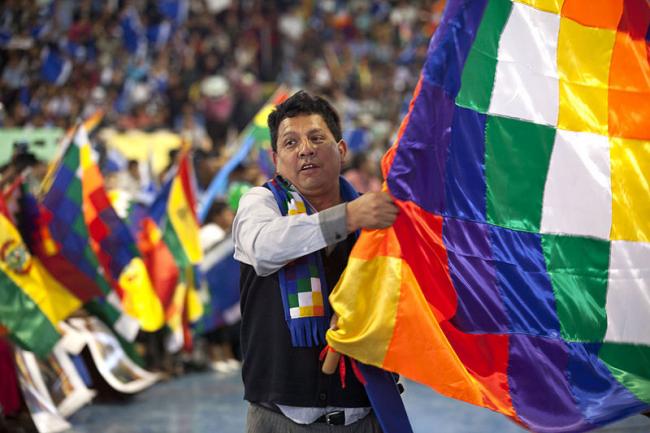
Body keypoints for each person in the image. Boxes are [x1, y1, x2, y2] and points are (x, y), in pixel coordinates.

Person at [233, 90, 398, 432]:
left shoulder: (375, 216)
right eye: (291, 143)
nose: (305, 149)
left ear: (341, 150)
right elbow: (265, 248)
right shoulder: (260, 203)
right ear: (276, 158)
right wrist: (346, 218)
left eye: (316, 138)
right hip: (279, 419)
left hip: (366, 413)